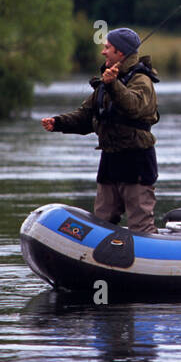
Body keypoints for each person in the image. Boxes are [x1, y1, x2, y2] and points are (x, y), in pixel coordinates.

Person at [41, 27, 160, 233]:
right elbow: (86, 116)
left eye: (108, 47)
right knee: (102, 222)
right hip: (110, 162)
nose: (103, 52)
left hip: (136, 162)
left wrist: (113, 84)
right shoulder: (105, 84)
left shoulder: (142, 81)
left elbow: (133, 106)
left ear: (120, 53)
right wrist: (58, 122)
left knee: (140, 226)